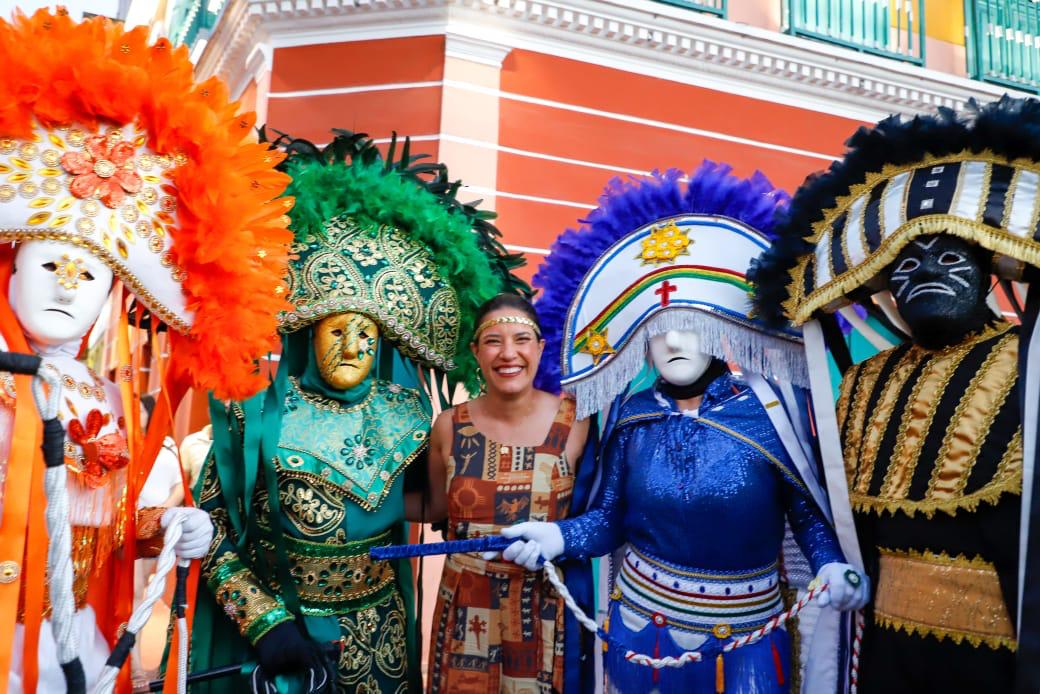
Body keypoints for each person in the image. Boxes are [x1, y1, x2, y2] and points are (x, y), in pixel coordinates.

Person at [0, 8, 294, 692]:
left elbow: (136, 515)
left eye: (90, 275)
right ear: (12, 273)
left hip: (75, 645)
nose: (67, 287)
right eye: (49, 266)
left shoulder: (113, 405)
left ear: (113, 293)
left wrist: (176, 528)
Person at [499, 163, 868, 693]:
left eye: (689, 329)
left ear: (720, 334)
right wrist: (557, 535)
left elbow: (806, 516)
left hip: (746, 641)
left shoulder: (769, 416)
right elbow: (609, 520)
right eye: (658, 332)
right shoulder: (633, 414)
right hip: (637, 635)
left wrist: (831, 565)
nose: (673, 345)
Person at [189, 130, 527, 693]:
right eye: (337, 331)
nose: (352, 348)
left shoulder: (412, 418)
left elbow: (450, 502)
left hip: (384, 640)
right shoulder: (254, 418)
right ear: (306, 334)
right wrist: (268, 626)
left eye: (366, 335)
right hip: (286, 637)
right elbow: (215, 533)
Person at [751, 96, 1040, 693]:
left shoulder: (1030, 367)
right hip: (884, 650)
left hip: (998, 658)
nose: (926, 273)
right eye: (905, 264)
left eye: (948, 256)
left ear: (988, 270)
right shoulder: (861, 384)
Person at [417, 293, 590, 693]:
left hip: (542, 606)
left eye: (521, 339)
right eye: (493, 341)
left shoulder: (577, 422)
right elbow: (434, 508)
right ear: (476, 352)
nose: (508, 353)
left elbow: (598, 515)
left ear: (541, 348)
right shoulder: (449, 425)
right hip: (465, 605)